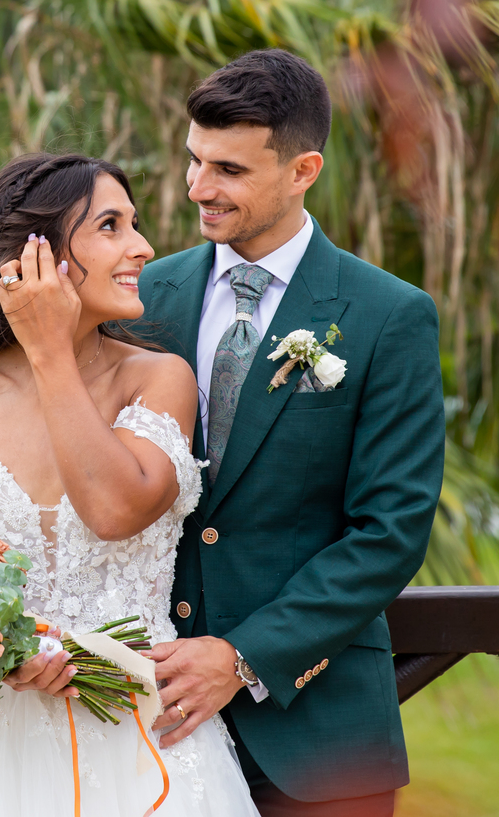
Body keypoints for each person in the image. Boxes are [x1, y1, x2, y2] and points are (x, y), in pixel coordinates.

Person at [0, 153, 260, 817]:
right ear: (38, 257)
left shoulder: (158, 379)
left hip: (146, 740)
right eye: (111, 226)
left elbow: (113, 510)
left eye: (133, 223)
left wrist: (50, 351)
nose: (143, 247)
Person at [142, 49, 446, 814]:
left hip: (318, 741)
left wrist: (243, 658)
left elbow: (390, 531)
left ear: (303, 170)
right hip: (150, 731)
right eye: (194, 160)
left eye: (229, 170)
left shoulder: (388, 316)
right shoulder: (144, 296)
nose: (198, 188)